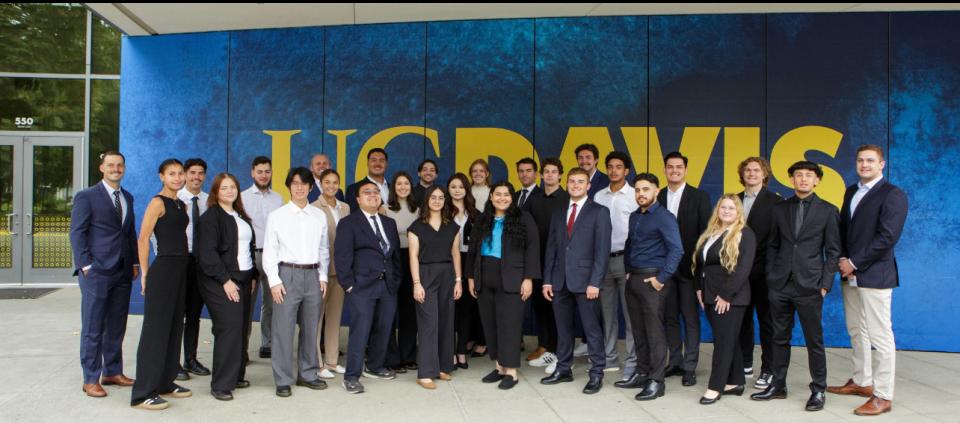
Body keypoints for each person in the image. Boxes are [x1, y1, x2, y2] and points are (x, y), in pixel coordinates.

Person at [751, 161, 840, 412]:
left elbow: (833, 252)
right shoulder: (780, 209)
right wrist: (771, 277)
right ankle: (778, 385)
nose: (802, 179)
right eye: (798, 175)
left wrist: (824, 285)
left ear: (817, 181)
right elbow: (773, 245)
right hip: (780, 284)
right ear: (791, 179)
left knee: (814, 340)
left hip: (810, 286)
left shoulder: (828, 210)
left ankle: (819, 390)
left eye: (808, 176)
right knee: (779, 337)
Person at [828, 144, 907, 416]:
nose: (864, 165)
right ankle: (863, 381)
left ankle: (883, 396)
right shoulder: (851, 191)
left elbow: (887, 238)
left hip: (875, 274)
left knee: (880, 335)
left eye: (870, 161)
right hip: (849, 273)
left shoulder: (893, 194)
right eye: (860, 160)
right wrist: (841, 259)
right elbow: (843, 229)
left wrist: (854, 262)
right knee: (856, 329)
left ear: (881, 164)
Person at [70, 150, 139, 398]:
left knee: (116, 324)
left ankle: (112, 371)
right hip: (96, 272)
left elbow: (129, 233)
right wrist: (85, 265)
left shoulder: (127, 197)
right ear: (102, 168)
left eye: (120, 165)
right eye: (111, 165)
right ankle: (90, 378)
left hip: (122, 271)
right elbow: (77, 233)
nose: (116, 169)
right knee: (93, 326)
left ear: (124, 168)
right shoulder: (86, 196)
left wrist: (134, 263)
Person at [540, 168, 612, 395]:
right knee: (563, 329)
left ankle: (597, 373)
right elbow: (551, 247)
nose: (576, 185)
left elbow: (602, 251)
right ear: (567, 183)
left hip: (586, 282)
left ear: (589, 185)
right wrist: (547, 280)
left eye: (581, 181)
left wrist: (595, 282)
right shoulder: (558, 211)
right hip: (560, 281)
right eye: (572, 181)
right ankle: (563, 369)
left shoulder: (599, 212)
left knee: (592, 330)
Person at [262, 167, 330, 397]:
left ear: (311, 187)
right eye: (295, 183)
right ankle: (283, 379)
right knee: (283, 329)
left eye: (304, 183)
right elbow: (270, 251)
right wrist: (273, 280)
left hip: (312, 275)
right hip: (286, 275)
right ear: (289, 186)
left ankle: (308, 374)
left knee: (311, 328)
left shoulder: (318, 216)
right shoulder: (277, 216)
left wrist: (322, 276)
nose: (299, 187)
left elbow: (323, 249)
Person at [131, 159, 192, 410]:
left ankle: (166, 382)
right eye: (172, 174)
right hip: (164, 269)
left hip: (181, 269)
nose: (177, 178)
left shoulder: (181, 204)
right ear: (161, 176)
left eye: (180, 174)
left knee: (175, 326)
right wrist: (145, 272)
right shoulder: (158, 202)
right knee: (155, 331)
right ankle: (142, 392)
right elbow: (143, 238)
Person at [466, 182, 540, 390]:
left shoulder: (523, 218)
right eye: (497, 194)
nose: (502, 198)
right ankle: (499, 367)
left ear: (512, 197)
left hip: (512, 278)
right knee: (490, 324)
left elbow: (533, 249)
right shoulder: (482, 219)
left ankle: (511, 372)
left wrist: (528, 278)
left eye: (506, 194)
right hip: (484, 276)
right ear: (490, 197)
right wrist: (471, 277)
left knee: (509, 325)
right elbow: (472, 250)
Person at [335, 178, 404, 394]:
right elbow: (342, 256)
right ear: (358, 198)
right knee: (360, 331)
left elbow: (394, 257)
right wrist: (348, 285)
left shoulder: (389, 223)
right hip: (361, 287)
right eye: (367, 192)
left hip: (387, 287)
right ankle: (351, 376)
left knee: (384, 328)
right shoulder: (348, 223)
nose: (373, 195)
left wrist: (395, 280)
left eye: (376, 192)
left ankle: (374, 366)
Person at [195, 172, 257, 401]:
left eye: (233, 187)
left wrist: (252, 275)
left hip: (243, 277)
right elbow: (207, 254)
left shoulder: (240, 215)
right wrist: (225, 281)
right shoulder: (211, 218)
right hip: (220, 280)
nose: (229, 191)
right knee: (229, 328)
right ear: (216, 192)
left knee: (240, 328)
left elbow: (249, 247)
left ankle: (236, 376)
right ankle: (221, 384)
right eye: (224, 188)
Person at [624, 173, 683, 401]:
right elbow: (631, 244)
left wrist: (661, 278)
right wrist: (628, 269)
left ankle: (656, 381)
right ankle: (642, 372)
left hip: (653, 280)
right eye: (638, 190)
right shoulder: (634, 216)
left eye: (645, 189)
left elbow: (676, 249)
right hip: (635, 279)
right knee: (638, 330)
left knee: (654, 332)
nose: (641, 194)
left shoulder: (664, 217)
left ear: (656, 191)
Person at [693, 195, 757, 405]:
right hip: (710, 294)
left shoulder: (744, 234)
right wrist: (699, 289)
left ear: (738, 212)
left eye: (731, 208)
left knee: (722, 342)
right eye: (723, 207)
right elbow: (701, 264)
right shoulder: (712, 233)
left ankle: (715, 386)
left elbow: (743, 269)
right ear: (717, 210)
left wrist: (726, 295)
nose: (727, 211)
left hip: (730, 297)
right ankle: (736, 381)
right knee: (729, 340)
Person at [658, 151, 711, 387]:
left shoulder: (699, 197)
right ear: (665, 170)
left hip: (689, 271)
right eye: (670, 167)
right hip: (664, 271)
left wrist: (700, 269)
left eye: (679, 167)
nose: (674, 171)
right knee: (669, 318)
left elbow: (705, 235)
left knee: (690, 320)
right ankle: (675, 361)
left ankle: (690, 366)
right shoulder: (657, 196)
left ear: (686, 170)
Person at [408, 185, 462, 389]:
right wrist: (416, 284)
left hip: (448, 275)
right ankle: (425, 372)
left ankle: (442, 367)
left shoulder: (452, 226)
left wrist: (459, 281)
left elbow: (456, 254)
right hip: (425, 275)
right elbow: (412, 255)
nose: (437, 201)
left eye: (441, 197)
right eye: (433, 197)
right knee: (429, 323)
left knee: (446, 321)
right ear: (427, 201)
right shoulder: (416, 227)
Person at [736, 157, 783, 389]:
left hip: (764, 272)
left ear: (765, 175)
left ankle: (768, 369)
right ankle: (745, 363)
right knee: (742, 320)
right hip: (737, 273)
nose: (751, 173)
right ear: (742, 174)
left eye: (756, 170)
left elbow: (778, 240)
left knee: (767, 322)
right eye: (747, 170)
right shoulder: (733, 199)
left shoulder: (776, 202)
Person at [594, 152, 641, 385]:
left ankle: (632, 363)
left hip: (626, 261)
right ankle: (610, 359)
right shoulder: (598, 196)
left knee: (631, 315)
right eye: (610, 167)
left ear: (626, 171)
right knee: (607, 313)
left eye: (619, 167)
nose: (614, 171)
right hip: (602, 261)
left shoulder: (635, 195)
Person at [525, 158, 568, 372]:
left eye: (554, 172)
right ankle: (545, 347)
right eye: (546, 172)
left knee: (558, 307)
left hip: (560, 263)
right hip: (538, 261)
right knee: (540, 307)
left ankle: (560, 351)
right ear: (541, 176)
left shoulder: (567, 199)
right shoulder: (534, 200)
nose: (550, 175)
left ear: (560, 175)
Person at [241, 156, 284, 360]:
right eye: (260, 171)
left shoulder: (278, 199)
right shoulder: (242, 197)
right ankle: (242, 348)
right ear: (252, 173)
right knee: (246, 303)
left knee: (271, 302)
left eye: (267, 171)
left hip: (273, 256)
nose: (264, 175)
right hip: (251, 255)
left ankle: (267, 343)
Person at [311, 169, 351, 379]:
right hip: (321, 272)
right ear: (321, 183)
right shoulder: (314, 208)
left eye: (335, 182)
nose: (331, 186)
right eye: (327, 182)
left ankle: (332, 361)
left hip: (340, 271)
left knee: (335, 317)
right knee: (317, 319)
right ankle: (317, 363)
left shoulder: (345, 207)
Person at [178, 158, 211, 380]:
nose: (196, 177)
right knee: (175, 315)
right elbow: (154, 235)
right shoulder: (175, 198)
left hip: (201, 263)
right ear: (185, 174)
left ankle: (190, 359)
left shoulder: (209, 201)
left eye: (200, 173)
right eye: (192, 173)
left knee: (194, 315)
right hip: (179, 261)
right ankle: (173, 362)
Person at [383, 172, 419, 373]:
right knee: (390, 310)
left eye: (406, 183)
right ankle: (392, 357)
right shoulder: (385, 209)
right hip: (392, 261)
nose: (403, 187)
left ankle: (408, 356)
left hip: (412, 261)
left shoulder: (418, 210)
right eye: (399, 183)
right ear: (393, 187)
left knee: (409, 312)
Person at [448, 173, 480, 369]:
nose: (457, 190)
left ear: (466, 189)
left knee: (466, 310)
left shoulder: (475, 213)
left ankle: (461, 352)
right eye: (453, 186)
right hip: (447, 262)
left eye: (461, 186)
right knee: (450, 310)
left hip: (469, 261)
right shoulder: (441, 211)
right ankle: (449, 352)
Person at [345, 148, 389, 212]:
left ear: (386, 164)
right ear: (368, 163)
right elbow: (353, 217)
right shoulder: (353, 189)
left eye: (382, 160)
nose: (378, 164)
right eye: (373, 160)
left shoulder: (395, 188)